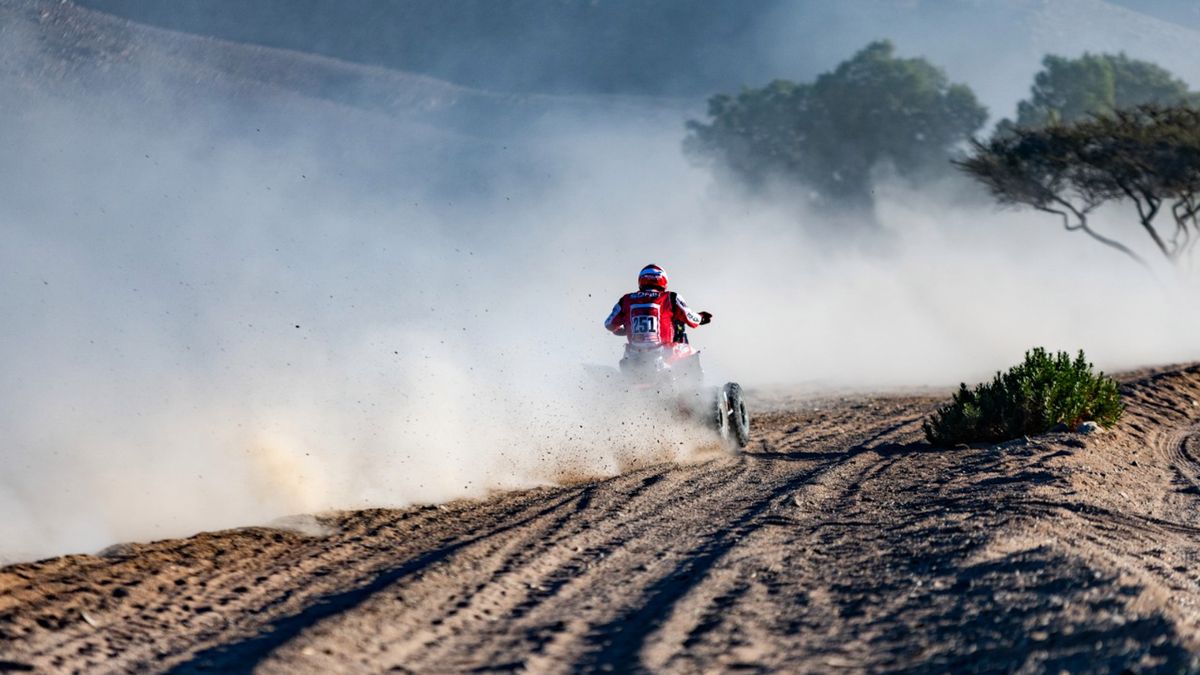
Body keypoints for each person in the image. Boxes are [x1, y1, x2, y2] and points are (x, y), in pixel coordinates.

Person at [604, 264, 711, 370]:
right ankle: (695, 385)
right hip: (662, 353)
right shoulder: (671, 297)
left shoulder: (626, 300)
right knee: (691, 351)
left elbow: (609, 324)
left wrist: (624, 330)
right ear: (663, 280)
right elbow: (691, 319)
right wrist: (701, 317)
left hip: (633, 356)